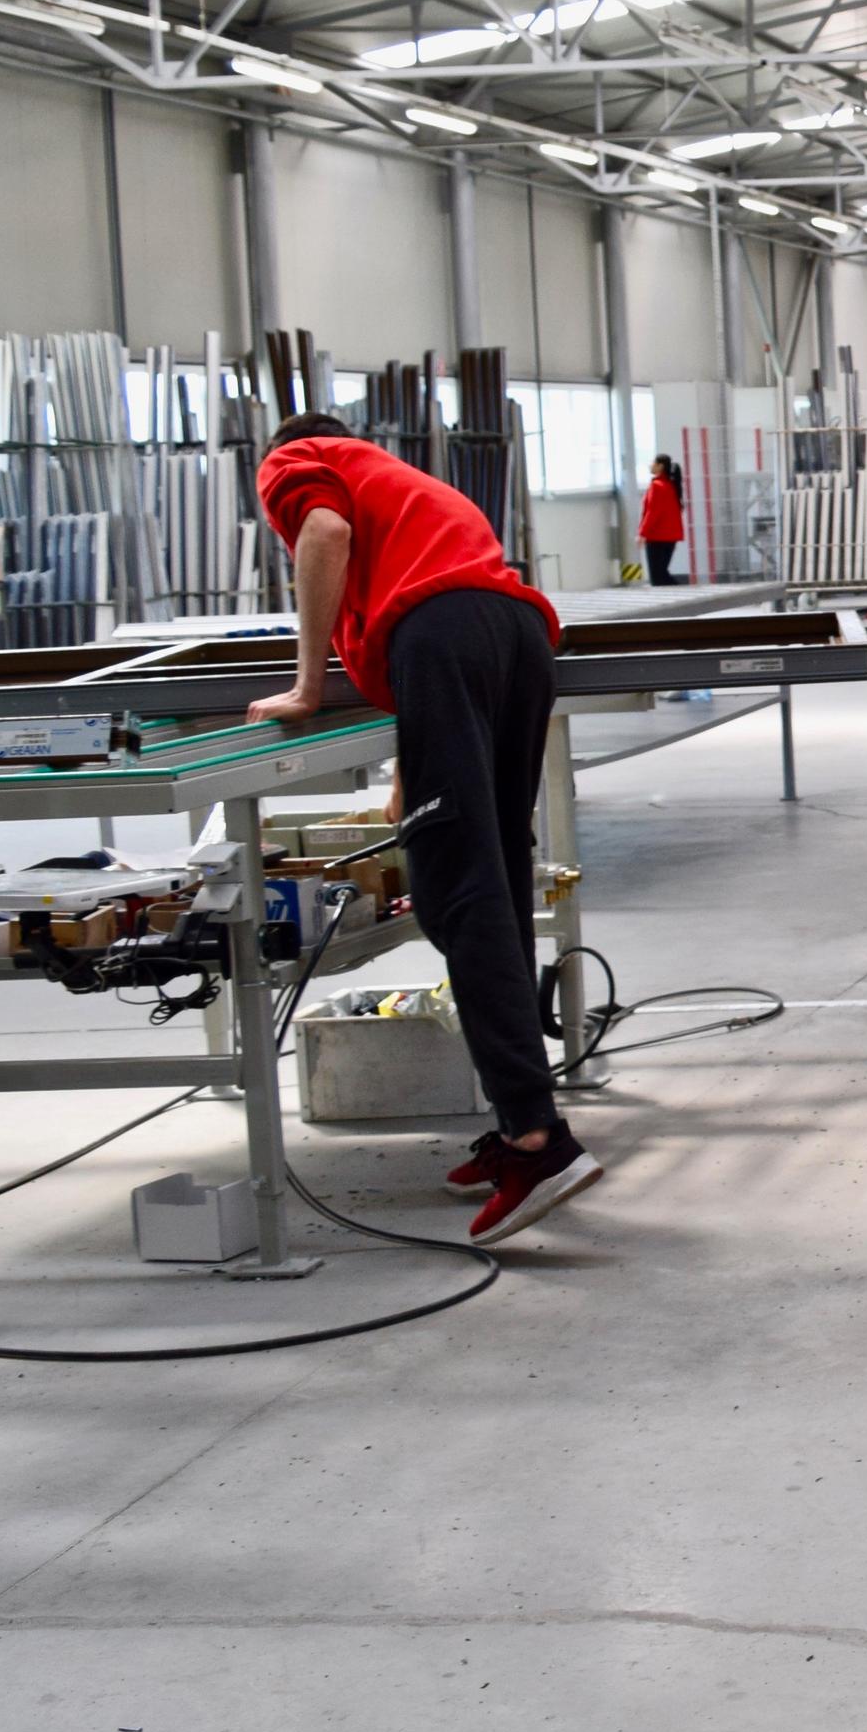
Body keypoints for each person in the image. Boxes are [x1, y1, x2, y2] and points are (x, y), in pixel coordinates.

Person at [245, 412, 599, 1242]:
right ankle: (528, 1119)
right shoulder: (410, 489)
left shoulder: (300, 461)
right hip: (516, 636)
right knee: (500, 880)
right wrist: (414, 773)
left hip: (445, 642)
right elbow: (443, 606)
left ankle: (536, 1139)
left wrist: (305, 686)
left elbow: (323, 536)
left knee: (456, 894)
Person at [638, 452, 687, 586]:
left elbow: (652, 512)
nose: (650, 465)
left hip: (657, 537)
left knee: (657, 577)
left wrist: (642, 533)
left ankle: (682, 596)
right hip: (670, 537)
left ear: (660, 466)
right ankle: (682, 596)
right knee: (662, 574)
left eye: (653, 463)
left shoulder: (657, 486)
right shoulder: (671, 487)